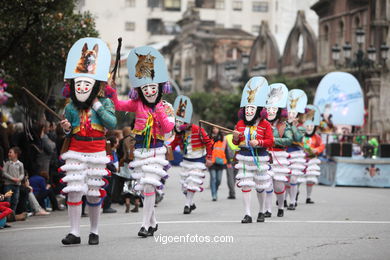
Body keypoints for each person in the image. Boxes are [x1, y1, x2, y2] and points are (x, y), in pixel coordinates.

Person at [105, 46, 174, 237]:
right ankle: (153, 222)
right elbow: (118, 105)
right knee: (144, 187)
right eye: (146, 88)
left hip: (157, 150)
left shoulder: (165, 106)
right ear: (140, 90)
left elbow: (168, 128)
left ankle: (144, 225)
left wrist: (158, 108)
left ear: (159, 87)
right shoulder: (137, 104)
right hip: (141, 149)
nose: (150, 91)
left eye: (153, 87)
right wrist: (111, 89)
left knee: (150, 185)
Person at [59, 38, 117, 245]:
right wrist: (66, 129)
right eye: (79, 83)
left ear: (95, 85)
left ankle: (94, 231)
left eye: (87, 83)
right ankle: (74, 232)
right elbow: (69, 131)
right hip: (75, 149)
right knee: (74, 191)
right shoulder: (70, 107)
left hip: (97, 150)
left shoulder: (106, 102)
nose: (82, 86)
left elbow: (112, 122)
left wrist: (97, 106)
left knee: (93, 193)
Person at [232, 77, 274, 223]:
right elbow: (235, 142)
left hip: (260, 157)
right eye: (247, 108)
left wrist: (259, 142)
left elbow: (270, 141)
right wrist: (236, 137)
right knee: (246, 185)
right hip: (244, 157)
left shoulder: (265, 124)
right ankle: (247, 214)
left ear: (258, 110)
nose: (249, 111)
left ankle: (262, 211)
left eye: (252, 108)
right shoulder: (240, 123)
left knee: (261, 186)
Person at [170, 95, 213, 214]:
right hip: (186, 161)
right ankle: (191, 202)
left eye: (180, 121)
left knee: (192, 183)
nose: (178, 124)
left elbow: (209, 144)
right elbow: (174, 143)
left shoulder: (198, 130)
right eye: (177, 121)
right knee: (184, 186)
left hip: (198, 161)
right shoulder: (180, 133)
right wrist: (166, 150)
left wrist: (209, 157)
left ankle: (187, 205)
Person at [265, 83, 292, 218]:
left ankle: (281, 206)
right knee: (267, 184)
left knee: (279, 186)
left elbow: (289, 140)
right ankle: (268, 210)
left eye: (273, 109)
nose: (270, 111)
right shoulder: (262, 124)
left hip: (279, 156)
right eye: (268, 108)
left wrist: (274, 140)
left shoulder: (283, 125)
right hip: (265, 156)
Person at [285, 89, 307, 210]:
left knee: (293, 177)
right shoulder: (283, 125)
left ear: (297, 115)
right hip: (285, 153)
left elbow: (298, 137)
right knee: (286, 179)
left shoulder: (301, 127)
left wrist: (292, 126)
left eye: (293, 113)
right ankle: (288, 198)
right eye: (289, 112)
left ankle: (292, 201)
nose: (291, 115)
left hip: (297, 153)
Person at [302, 105, 324, 204]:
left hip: (312, 160)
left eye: (311, 126)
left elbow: (322, 145)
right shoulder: (301, 136)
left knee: (310, 179)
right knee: (298, 178)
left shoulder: (317, 137)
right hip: (301, 159)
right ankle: (295, 193)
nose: (310, 128)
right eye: (308, 126)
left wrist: (316, 150)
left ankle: (308, 197)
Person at [209, 127, 229, 201]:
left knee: (218, 180)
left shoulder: (223, 138)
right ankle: (214, 194)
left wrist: (228, 162)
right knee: (213, 178)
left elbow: (226, 150)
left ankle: (215, 190)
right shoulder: (210, 138)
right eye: (213, 128)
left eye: (216, 128)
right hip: (212, 161)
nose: (215, 129)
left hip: (220, 161)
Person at [2, 147, 24, 212]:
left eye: (10, 152)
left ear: (16, 154)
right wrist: (12, 178)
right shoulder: (7, 163)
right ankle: (6, 214)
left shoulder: (20, 164)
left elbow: (22, 173)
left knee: (15, 200)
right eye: (9, 152)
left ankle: (12, 213)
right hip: (9, 185)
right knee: (8, 199)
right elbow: (4, 173)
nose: (9, 154)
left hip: (16, 185)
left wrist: (19, 179)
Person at [225, 134, 239, 199]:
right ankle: (232, 191)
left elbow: (225, 150)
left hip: (229, 160)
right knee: (234, 177)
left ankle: (232, 193)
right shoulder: (239, 136)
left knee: (230, 177)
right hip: (238, 159)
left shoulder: (226, 137)